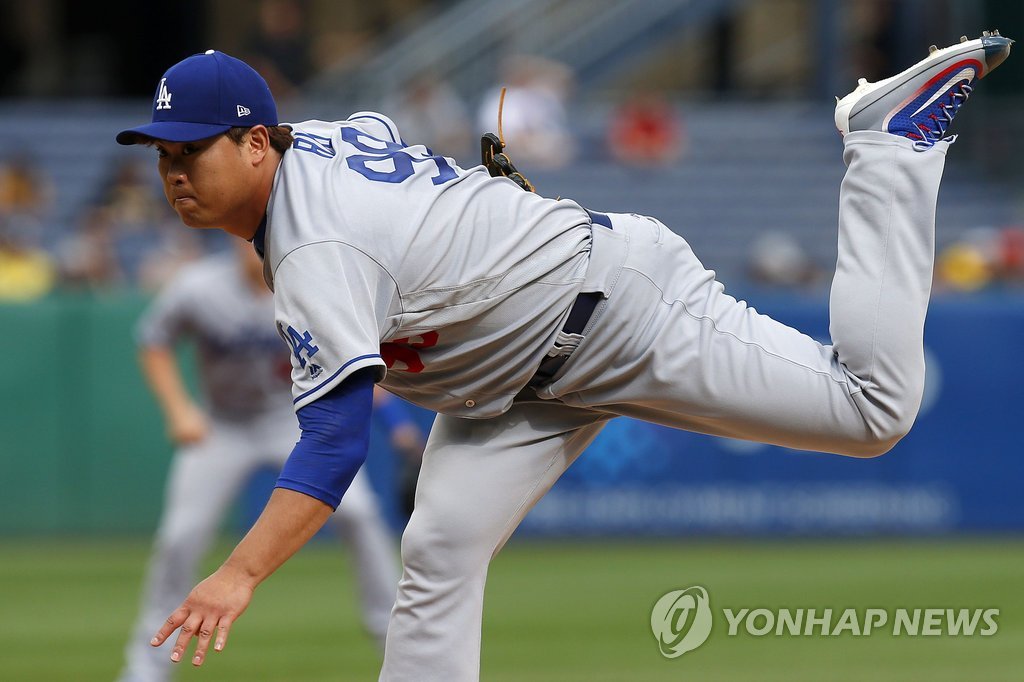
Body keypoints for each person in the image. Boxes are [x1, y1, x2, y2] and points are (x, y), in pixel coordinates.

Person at [114, 36, 1012, 680]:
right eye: (162, 154)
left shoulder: (315, 250)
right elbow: (377, 130)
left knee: (872, 411)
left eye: (192, 149)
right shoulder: (315, 141)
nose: (174, 173)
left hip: (618, 313)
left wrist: (238, 574)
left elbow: (333, 444)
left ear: (257, 143)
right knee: (439, 549)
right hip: (516, 382)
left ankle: (891, 146)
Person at [116, 238, 400, 682]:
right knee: (180, 536)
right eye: (249, 242)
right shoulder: (199, 287)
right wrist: (178, 409)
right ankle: (145, 668)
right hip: (222, 426)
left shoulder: (308, 282)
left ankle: (396, 644)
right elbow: (153, 342)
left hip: (292, 421)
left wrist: (387, 410)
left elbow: (354, 352)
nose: (257, 248)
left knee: (360, 515)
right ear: (235, 240)